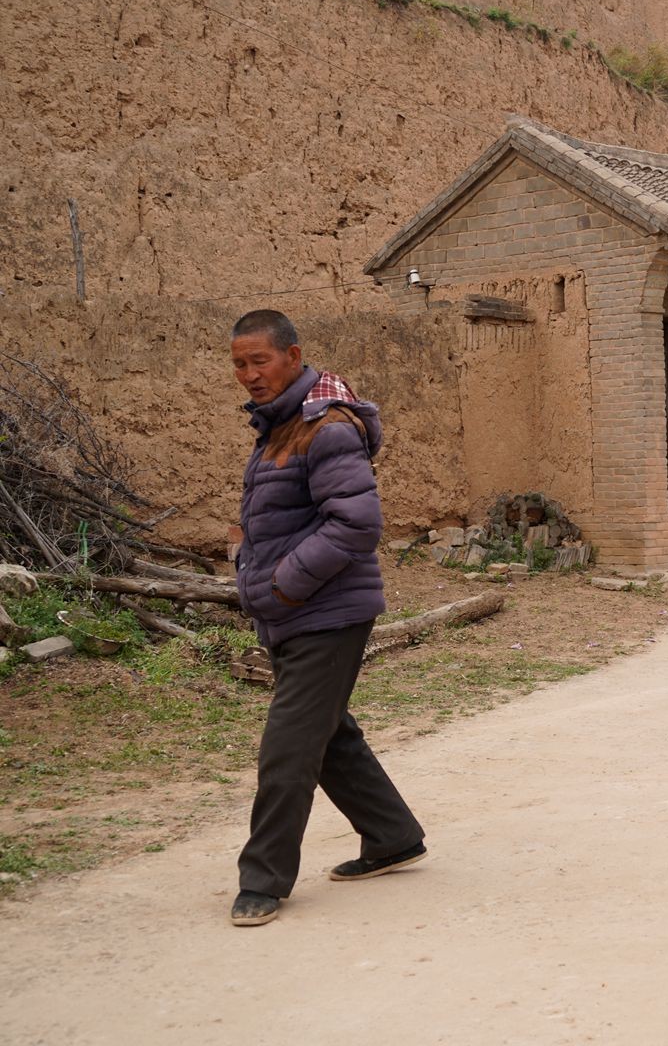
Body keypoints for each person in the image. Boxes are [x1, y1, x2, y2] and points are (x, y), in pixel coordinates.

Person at [227, 309, 426, 927]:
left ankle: (263, 880)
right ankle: (391, 835)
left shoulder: (327, 427)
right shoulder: (281, 426)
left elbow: (357, 526)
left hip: (325, 613)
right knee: (327, 731)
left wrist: (284, 584)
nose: (250, 374)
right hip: (296, 612)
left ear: (292, 355)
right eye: (239, 364)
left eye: (260, 360)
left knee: (288, 747)